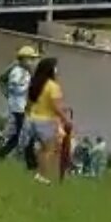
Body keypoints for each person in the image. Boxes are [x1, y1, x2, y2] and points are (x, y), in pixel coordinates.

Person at [26, 57, 72, 185]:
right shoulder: (53, 87)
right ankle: (42, 174)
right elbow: (55, 107)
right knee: (49, 149)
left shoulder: (36, 83)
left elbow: (32, 102)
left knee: (42, 148)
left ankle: (39, 172)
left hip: (33, 117)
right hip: (45, 121)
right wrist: (65, 119)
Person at [0, 46, 40, 169]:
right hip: (19, 108)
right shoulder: (16, 72)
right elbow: (15, 88)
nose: (33, 62)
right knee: (25, 135)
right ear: (23, 59)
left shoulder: (26, 71)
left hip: (22, 107)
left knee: (18, 135)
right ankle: (31, 164)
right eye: (30, 59)